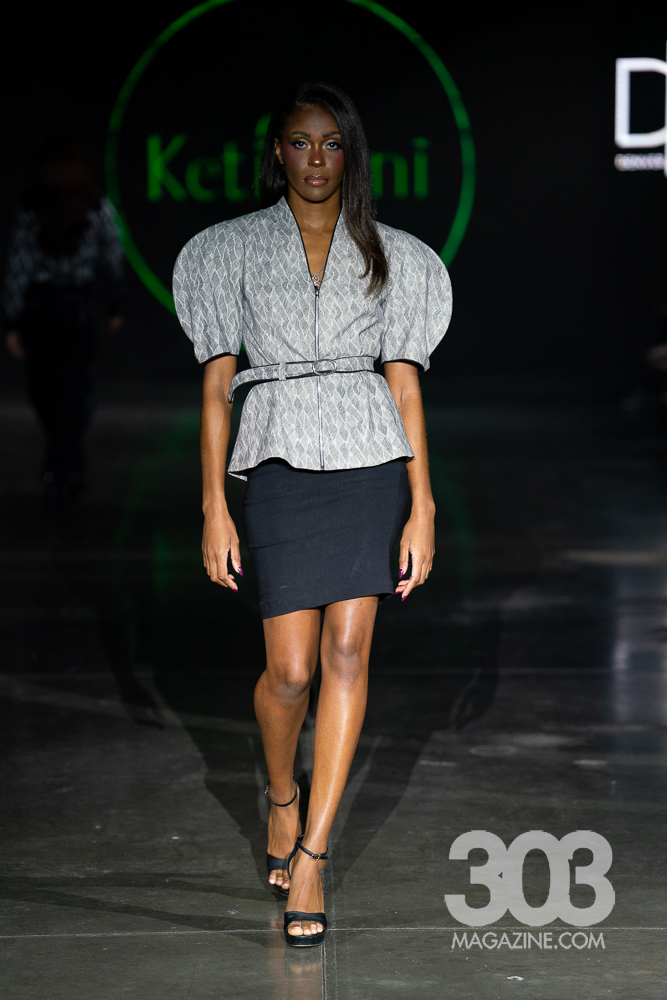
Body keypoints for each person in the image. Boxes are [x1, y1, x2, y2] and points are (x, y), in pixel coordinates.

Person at [173, 82, 452, 947]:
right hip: (279, 458)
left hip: (369, 460)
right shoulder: (230, 249)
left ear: (350, 151)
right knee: (289, 674)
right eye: (300, 142)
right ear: (277, 152)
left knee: (346, 653)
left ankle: (314, 857)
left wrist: (423, 506)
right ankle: (282, 794)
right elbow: (216, 390)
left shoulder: (393, 255)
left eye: (331, 143)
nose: (316, 158)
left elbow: (404, 385)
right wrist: (214, 505)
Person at [2, 135, 124, 510]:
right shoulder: (82, 205)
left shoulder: (80, 206)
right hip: (67, 310)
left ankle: (61, 466)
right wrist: (114, 304)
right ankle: (66, 465)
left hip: (53, 309)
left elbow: (19, 264)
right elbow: (111, 256)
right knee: (64, 391)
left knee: (54, 391)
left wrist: (12, 319)